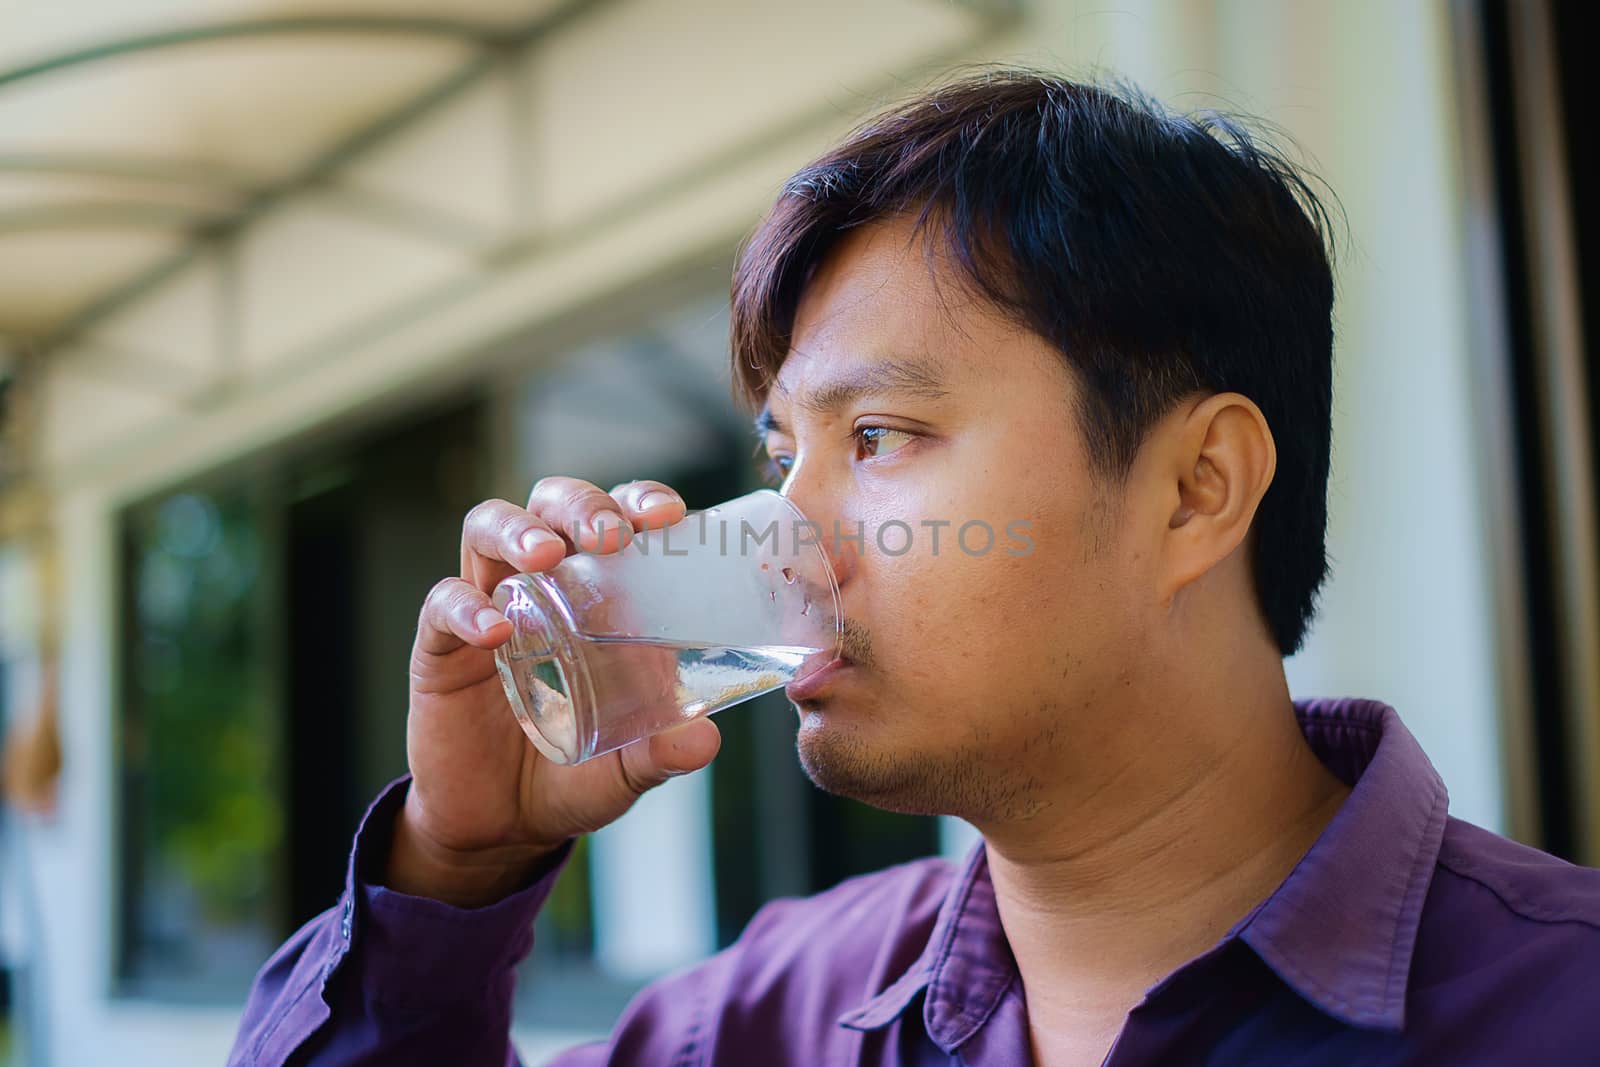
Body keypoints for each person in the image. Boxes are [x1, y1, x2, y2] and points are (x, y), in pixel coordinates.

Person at [229, 70, 1600, 1066]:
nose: (791, 534)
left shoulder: (1555, 1010)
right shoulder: (777, 1015)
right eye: (781, 457)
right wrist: (458, 862)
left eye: (878, 437)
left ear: (1197, 489)